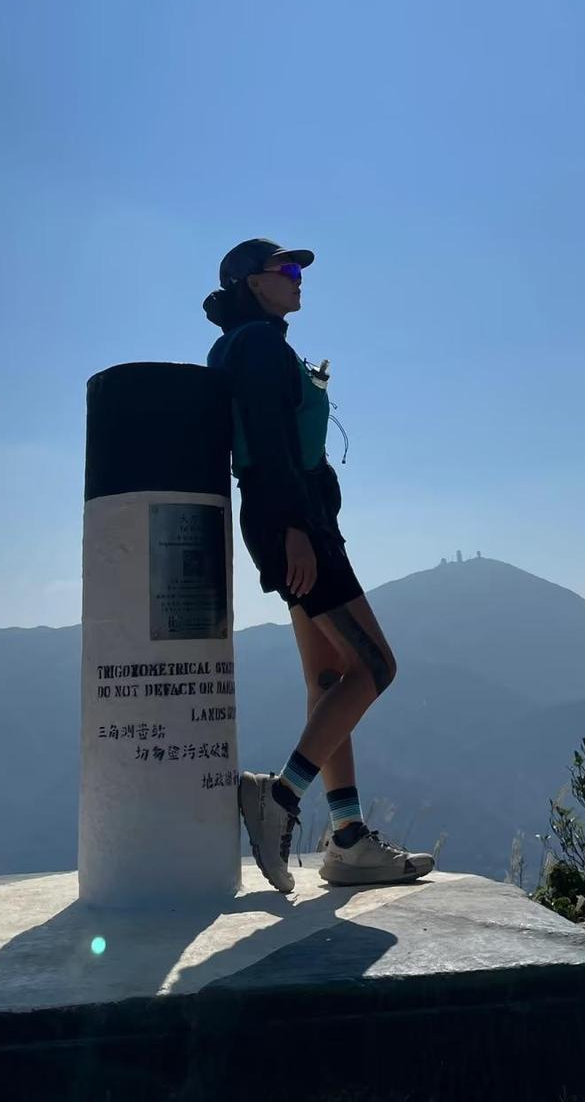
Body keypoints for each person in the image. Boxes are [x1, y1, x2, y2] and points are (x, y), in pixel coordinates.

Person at [204, 238, 435, 893]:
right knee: (377, 666)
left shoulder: (253, 344)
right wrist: (298, 529)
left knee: (329, 678)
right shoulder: (256, 347)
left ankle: (349, 840)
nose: (299, 277)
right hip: (295, 524)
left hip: (294, 520)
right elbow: (269, 443)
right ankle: (278, 796)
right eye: (287, 268)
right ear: (253, 282)